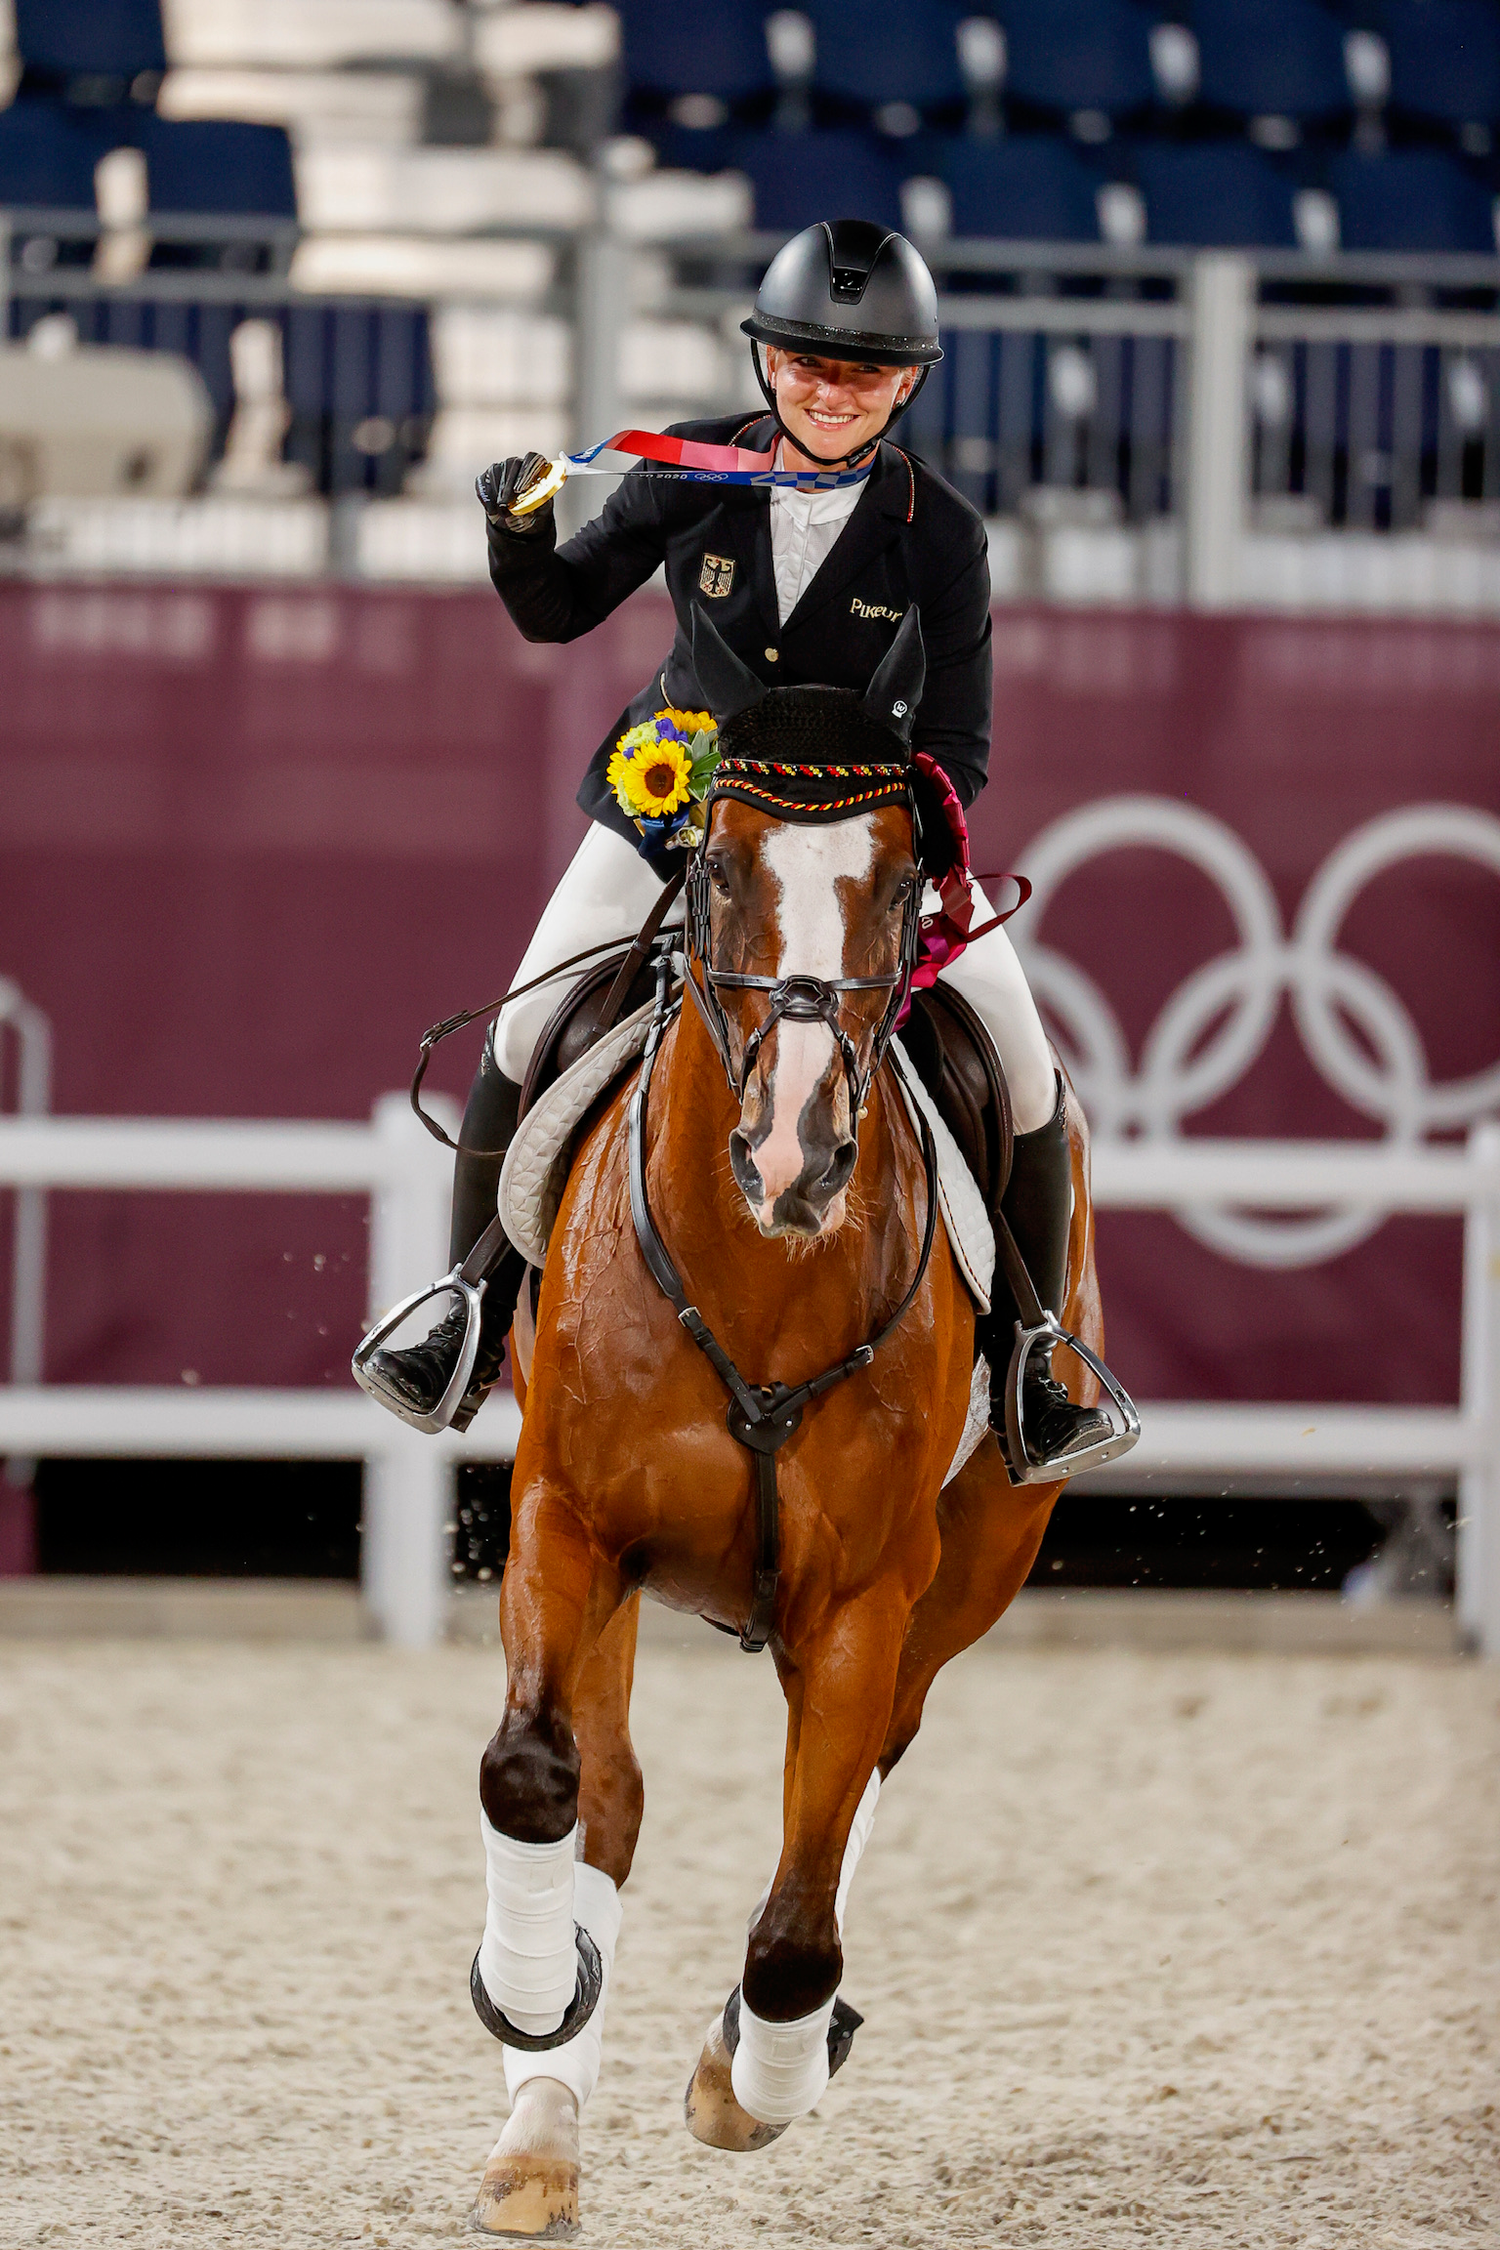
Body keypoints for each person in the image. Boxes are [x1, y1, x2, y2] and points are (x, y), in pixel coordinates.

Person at [362, 217, 1116, 1469]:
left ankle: (1034, 1354)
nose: (833, 393)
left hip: (864, 827)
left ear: (909, 383)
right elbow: (557, 613)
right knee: (517, 1023)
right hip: (684, 795)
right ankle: (465, 1304)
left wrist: (895, 854)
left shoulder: (942, 534)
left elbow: (963, 746)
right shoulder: (693, 463)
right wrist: (516, 533)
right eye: (809, 366)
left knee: (1024, 1065)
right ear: (766, 363)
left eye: (863, 374)